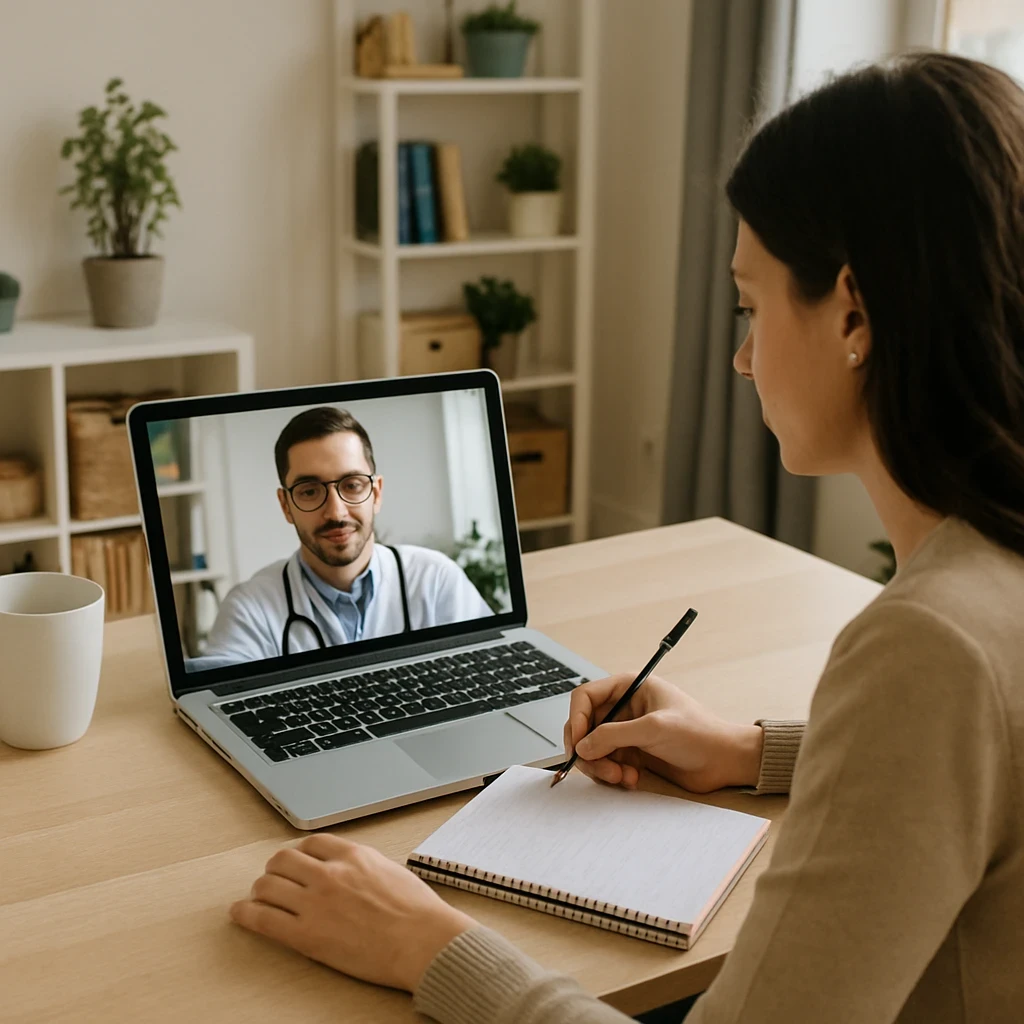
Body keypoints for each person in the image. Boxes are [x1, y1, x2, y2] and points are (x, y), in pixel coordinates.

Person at [228, 52, 1024, 1023]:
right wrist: (746, 751)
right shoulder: (989, 594)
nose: (737, 358)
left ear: (852, 309)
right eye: (311, 492)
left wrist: (428, 942)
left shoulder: (926, 647)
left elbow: (945, 712)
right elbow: (984, 761)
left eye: (748, 304)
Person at [199, 406, 492, 666]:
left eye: (351, 485)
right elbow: (213, 706)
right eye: (310, 491)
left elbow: (488, 673)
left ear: (375, 494)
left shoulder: (436, 581)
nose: (336, 512)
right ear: (286, 506)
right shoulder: (250, 609)